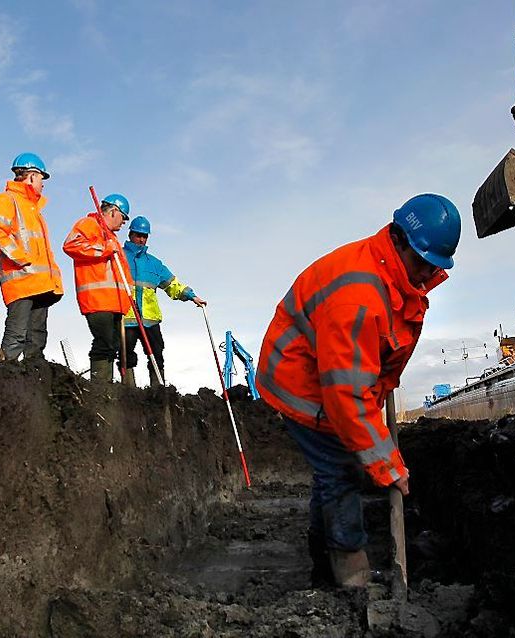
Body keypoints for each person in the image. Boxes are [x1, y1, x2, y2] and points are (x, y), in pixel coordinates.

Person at [256, 193, 462, 588]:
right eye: (421, 263)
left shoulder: (394, 273)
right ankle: (351, 574)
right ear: (399, 239)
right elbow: (347, 395)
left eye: (432, 267)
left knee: (337, 469)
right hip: (299, 382)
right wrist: (387, 466)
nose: (425, 275)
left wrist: (379, 403)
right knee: (341, 469)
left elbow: (371, 364)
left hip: (328, 376)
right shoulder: (359, 295)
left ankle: (323, 560)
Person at [0, 153, 64, 363]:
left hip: (41, 284)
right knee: (16, 336)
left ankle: (34, 380)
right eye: (41, 178)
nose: (43, 184)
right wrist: (22, 259)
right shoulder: (5, 200)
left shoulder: (34, 210)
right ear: (30, 176)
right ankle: (4, 378)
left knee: (36, 339)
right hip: (21, 280)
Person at [120, 216, 205, 387]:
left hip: (150, 320)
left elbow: (172, 284)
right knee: (125, 355)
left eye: (145, 236)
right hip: (127, 318)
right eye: (138, 235)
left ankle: (158, 390)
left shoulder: (154, 263)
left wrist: (191, 295)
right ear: (130, 234)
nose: (141, 239)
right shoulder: (118, 257)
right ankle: (128, 391)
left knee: (157, 354)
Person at [62, 194, 133, 382]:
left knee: (114, 345)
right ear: (113, 211)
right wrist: (105, 248)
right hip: (98, 299)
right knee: (104, 343)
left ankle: (107, 387)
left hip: (115, 302)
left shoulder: (112, 238)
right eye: (123, 217)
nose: (124, 222)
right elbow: (71, 245)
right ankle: (100, 388)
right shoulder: (89, 224)